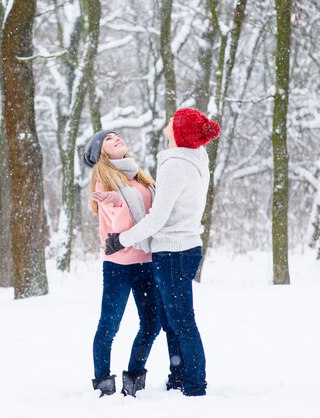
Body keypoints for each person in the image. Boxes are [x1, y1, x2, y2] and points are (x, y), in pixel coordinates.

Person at [104, 108, 221, 397]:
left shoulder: (175, 165)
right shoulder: (195, 158)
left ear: (179, 133)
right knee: (173, 321)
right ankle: (179, 377)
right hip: (187, 248)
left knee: (182, 323)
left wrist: (123, 239)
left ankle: (194, 385)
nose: (168, 122)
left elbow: (157, 218)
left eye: (173, 121)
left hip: (172, 252)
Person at [84, 130, 179, 397]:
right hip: (119, 265)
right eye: (108, 139)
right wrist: (116, 203)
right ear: (101, 152)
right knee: (109, 326)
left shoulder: (140, 175)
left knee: (152, 323)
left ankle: (134, 378)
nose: (116, 139)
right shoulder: (104, 181)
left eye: (117, 136)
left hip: (147, 261)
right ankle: (103, 384)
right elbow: (120, 229)